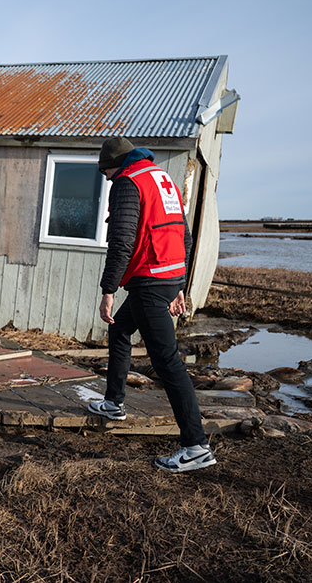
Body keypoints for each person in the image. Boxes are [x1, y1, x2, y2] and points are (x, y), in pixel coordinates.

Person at [87, 136, 216, 473]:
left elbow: (122, 240)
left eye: (106, 173)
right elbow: (183, 235)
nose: (107, 179)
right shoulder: (162, 179)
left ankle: (196, 446)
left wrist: (108, 289)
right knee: (120, 330)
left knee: (169, 363)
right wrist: (180, 285)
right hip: (166, 277)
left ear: (114, 166)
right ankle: (113, 402)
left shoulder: (128, 183)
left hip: (148, 283)